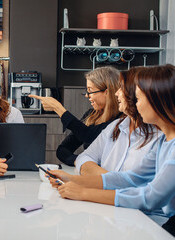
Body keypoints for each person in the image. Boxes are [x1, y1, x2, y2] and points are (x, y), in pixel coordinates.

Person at [48, 64, 175, 226]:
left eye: (139, 98)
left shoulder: (163, 140)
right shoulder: (164, 141)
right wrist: (73, 180)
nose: (136, 103)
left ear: (157, 100)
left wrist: (84, 192)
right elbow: (130, 178)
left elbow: (151, 198)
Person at [75, 67, 160, 176]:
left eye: (122, 88)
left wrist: (105, 181)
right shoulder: (115, 126)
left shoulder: (159, 136)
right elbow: (84, 157)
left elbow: (141, 186)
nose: (116, 93)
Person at [30, 67, 121, 166]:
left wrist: (58, 108)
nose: (87, 95)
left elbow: (89, 136)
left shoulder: (121, 119)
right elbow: (62, 150)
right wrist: (83, 162)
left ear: (107, 92)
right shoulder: (91, 115)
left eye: (90, 91)